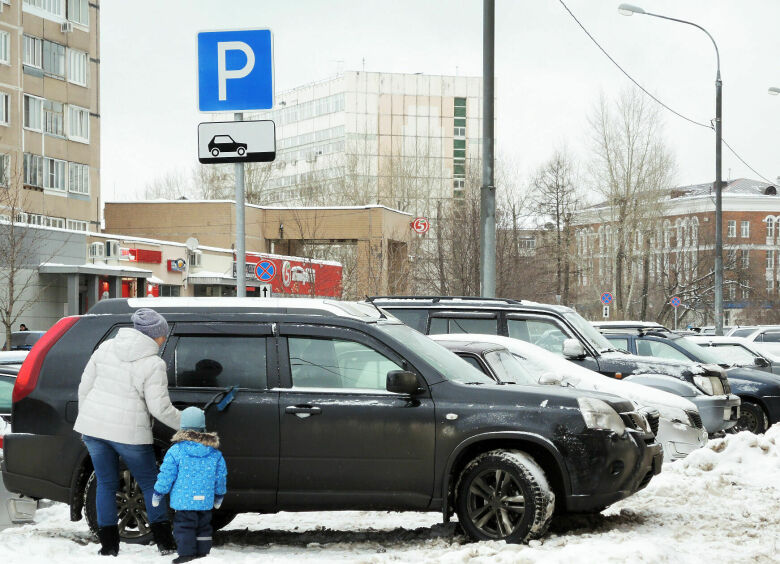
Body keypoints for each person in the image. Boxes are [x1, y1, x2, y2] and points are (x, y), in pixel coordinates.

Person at [74, 308, 181, 556]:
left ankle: (109, 546)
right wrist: (186, 422)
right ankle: (165, 542)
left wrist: (87, 420)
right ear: (155, 336)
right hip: (128, 435)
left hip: (95, 430)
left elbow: (85, 387)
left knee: (106, 484)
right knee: (150, 483)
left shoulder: (106, 348)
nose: (164, 339)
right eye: (163, 335)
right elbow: (160, 408)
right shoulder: (153, 363)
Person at [153, 407, 227, 564]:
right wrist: (219, 495)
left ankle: (186, 555)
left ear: (182, 427)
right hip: (205, 501)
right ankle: (203, 554)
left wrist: (158, 492)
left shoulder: (176, 451)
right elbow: (220, 477)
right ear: (203, 427)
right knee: (204, 527)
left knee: (184, 527)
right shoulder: (215, 453)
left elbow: (166, 475)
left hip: (184, 502)